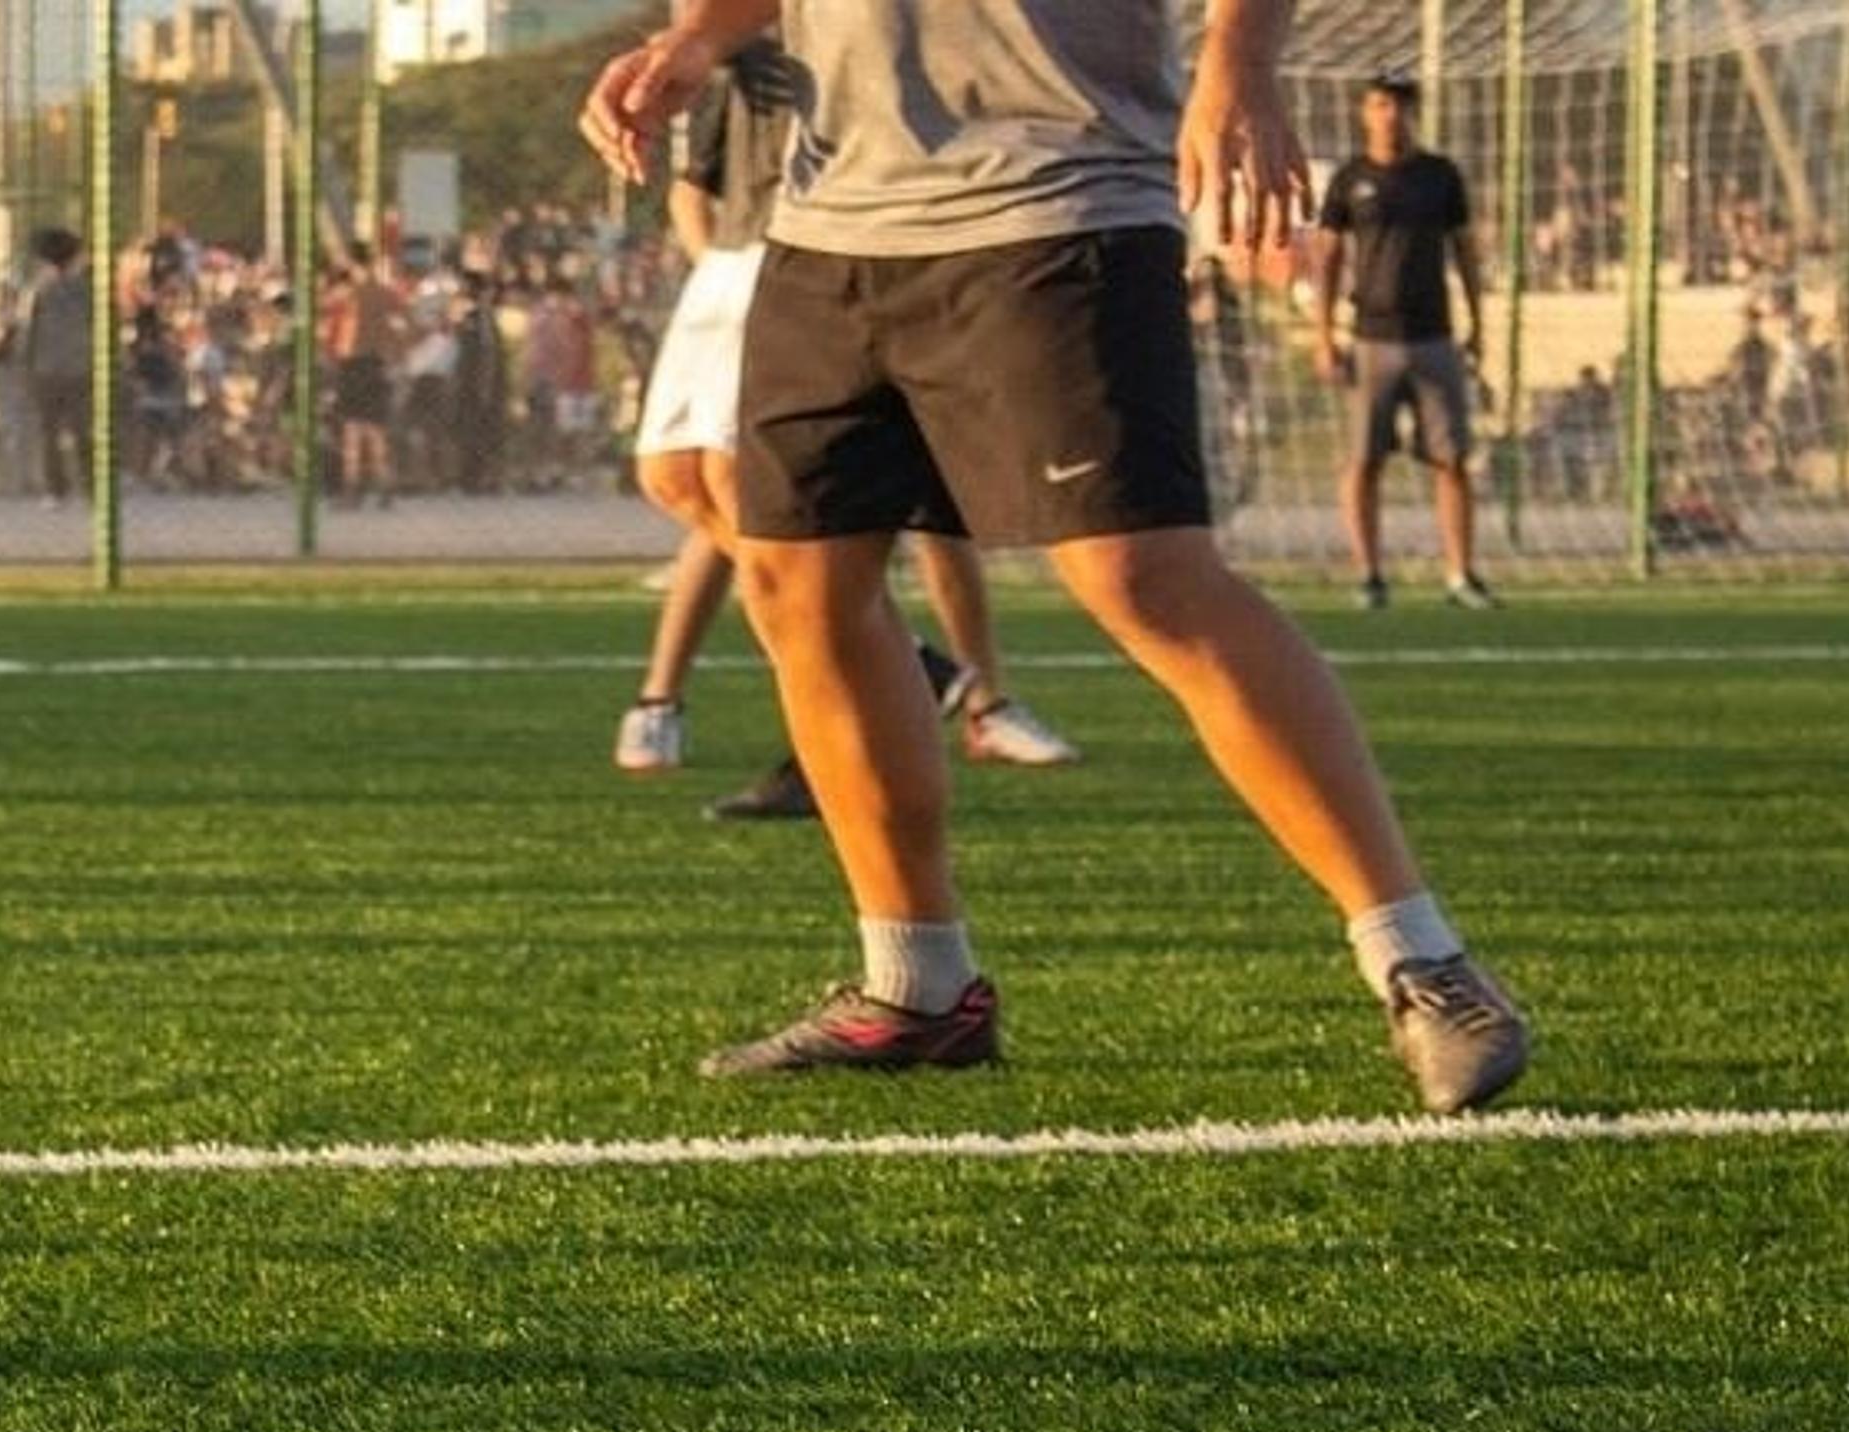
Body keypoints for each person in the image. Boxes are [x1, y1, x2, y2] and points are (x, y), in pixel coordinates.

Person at [579, 0, 1531, 1114]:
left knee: (1141, 577)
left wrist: (1241, 60)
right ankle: (919, 984)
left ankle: (1424, 964)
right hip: (830, 222)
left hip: (1057, 194)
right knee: (795, 582)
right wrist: (692, 46)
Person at [611, 33, 1080, 804]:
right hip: (742, 267)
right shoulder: (759, 60)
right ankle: (916, 665)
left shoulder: (905, 52)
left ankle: (949, 694)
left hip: (838, 260)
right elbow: (694, 184)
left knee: (854, 505)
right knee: (681, 478)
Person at [1313, 74, 1495, 609]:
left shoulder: (1439, 176)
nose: (1390, 114)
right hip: (1372, 338)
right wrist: (1324, 336)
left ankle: (1460, 575)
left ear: (1413, 112)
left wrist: (1479, 322)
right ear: (1365, 111)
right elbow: (1327, 258)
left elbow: (1464, 252)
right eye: (1379, 104)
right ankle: (1370, 575)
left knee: (1452, 458)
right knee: (1364, 459)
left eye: (1400, 105)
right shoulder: (1350, 180)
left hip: (1434, 335)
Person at [14, 229, 99, 507]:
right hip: (79, 367)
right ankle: (91, 487)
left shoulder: (37, 289)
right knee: (82, 430)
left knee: (49, 431)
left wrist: (25, 365)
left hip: (47, 368)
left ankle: (56, 489)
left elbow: (28, 331)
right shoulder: (85, 289)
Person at [319, 245, 409, 507]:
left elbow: (330, 331)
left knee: (352, 430)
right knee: (376, 429)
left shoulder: (347, 295)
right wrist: (395, 350)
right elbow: (406, 321)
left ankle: (352, 489)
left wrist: (331, 359)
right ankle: (384, 485)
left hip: (353, 363)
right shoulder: (384, 293)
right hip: (375, 362)